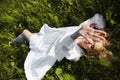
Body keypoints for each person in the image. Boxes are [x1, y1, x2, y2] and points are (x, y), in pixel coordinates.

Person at [9, 14, 112, 80]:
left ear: (89, 52)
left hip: (49, 48)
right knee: (43, 35)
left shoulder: (75, 54)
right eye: (94, 39)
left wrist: (76, 34)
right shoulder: (86, 32)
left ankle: (18, 39)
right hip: (55, 35)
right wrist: (101, 28)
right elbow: (98, 17)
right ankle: (34, 36)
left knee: (33, 38)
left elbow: (65, 44)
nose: (90, 41)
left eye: (92, 46)